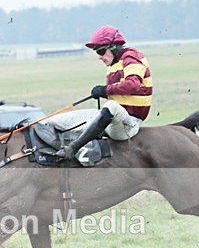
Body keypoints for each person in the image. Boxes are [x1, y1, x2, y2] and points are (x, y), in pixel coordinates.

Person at [54, 25, 153, 162]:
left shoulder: (131, 57)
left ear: (114, 47)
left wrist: (106, 90)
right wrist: (103, 93)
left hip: (129, 124)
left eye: (101, 51)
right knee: (57, 121)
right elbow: (121, 93)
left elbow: (133, 85)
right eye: (97, 53)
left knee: (111, 106)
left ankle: (72, 148)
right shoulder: (114, 64)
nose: (99, 57)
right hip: (115, 120)